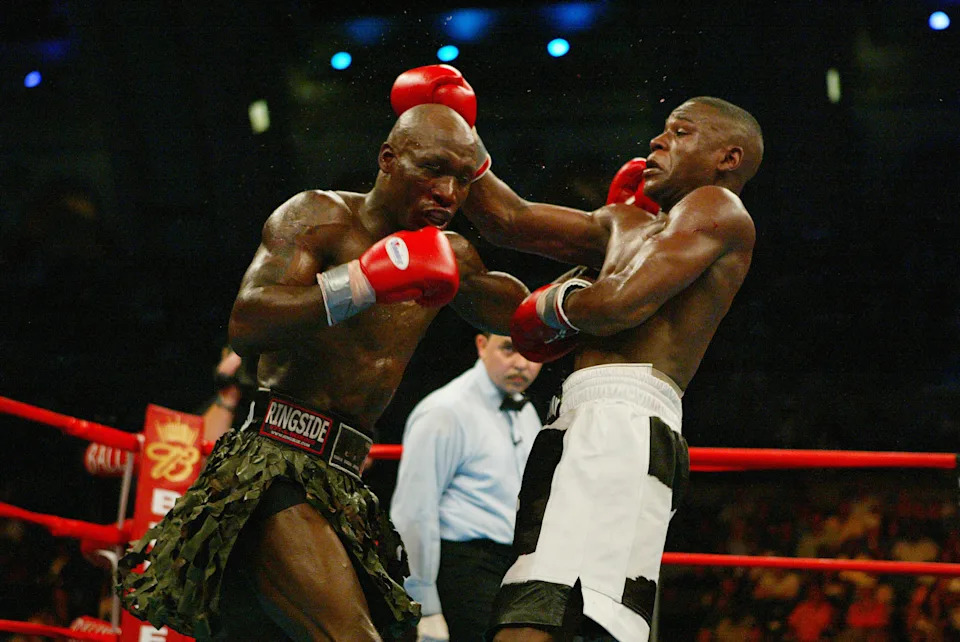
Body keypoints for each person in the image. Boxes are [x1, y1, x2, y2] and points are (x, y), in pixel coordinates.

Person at [116, 100, 532, 641]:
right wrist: (363, 281)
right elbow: (247, 323)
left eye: (460, 177)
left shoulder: (449, 254)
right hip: (274, 466)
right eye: (431, 169)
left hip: (345, 480)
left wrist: (599, 271)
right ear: (388, 159)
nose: (448, 194)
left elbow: (527, 322)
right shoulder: (321, 218)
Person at [389, 65, 763, 641]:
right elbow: (509, 221)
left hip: (622, 423)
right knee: (556, 617)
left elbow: (616, 307)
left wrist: (555, 300)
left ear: (728, 158)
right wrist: (460, 134)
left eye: (681, 132)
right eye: (661, 131)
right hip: (577, 420)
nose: (657, 142)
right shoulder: (628, 224)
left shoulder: (718, 207)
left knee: (538, 622)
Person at [391, 333, 543, 641]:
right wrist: (423, 604)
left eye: (532, 352)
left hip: (515, 568)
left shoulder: (526, 411)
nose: (521, 363)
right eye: (509, 349)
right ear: (481, 345)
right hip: (464, 567)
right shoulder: (444, 411)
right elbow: (413, 512)